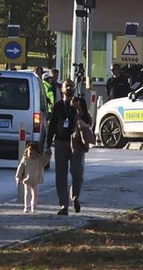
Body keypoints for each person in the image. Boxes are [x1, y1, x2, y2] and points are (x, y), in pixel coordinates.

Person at [45, 79, 92, 215]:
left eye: (71, 86)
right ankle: (63, 206)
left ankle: (75, 197)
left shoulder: (80, 102)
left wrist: (78, 109)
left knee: (77, 173)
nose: (70, 88)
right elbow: (52, 125)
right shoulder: (58, 106)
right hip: (60, 142)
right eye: (67, 86)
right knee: (61, 175)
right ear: (62, 89)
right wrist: (48, 145)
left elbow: (87, 122)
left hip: (76, 143)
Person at [15, 141, 45, 214]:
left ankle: (33, 207)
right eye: (30, 153)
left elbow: (46, 160)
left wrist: (48, 153)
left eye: (34, 154)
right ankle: (26, 206)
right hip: (27, 180)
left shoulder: (39, 160)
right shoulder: (25, 159)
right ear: (27, 152)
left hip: (36, 180)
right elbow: (20, 169)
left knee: (36, 194)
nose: (32, 155)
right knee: (27, 193)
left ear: (37, 153)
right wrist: (18, 178)